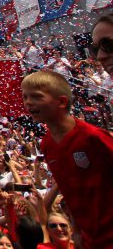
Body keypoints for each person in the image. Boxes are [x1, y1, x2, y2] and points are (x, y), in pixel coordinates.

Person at [21, 70, 113, 248]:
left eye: (36, 97)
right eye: (25, 97)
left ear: (62, 101)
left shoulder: (92, 137)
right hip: (91, 239)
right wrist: (77, 231)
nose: (28, 102)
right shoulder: (47, 144)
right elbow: (69, 192)